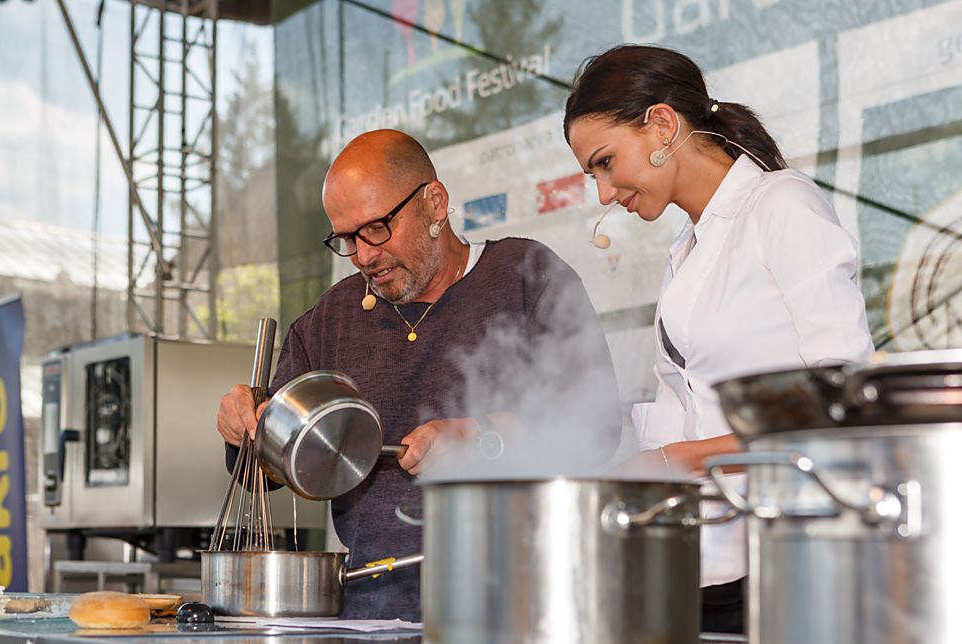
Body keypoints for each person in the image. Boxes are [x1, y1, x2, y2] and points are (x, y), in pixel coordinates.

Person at [216, 129, 621, 621]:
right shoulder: (330, 320)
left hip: (519, 606)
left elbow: (596, 427)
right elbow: (273, 469)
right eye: (347, 239)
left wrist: (482, 438)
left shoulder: (525, 276)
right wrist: (245, 430)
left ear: (434, 203)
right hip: (371, 611)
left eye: (378, 227)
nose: (364, 255)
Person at [563, 45, 874, 634]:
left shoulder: (783, 206)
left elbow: (844, 403)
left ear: (661, 123)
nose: (603, 194)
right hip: (711, 564)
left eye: (605, 163)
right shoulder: (689, 250)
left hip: (796, 557)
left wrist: (674, 460)